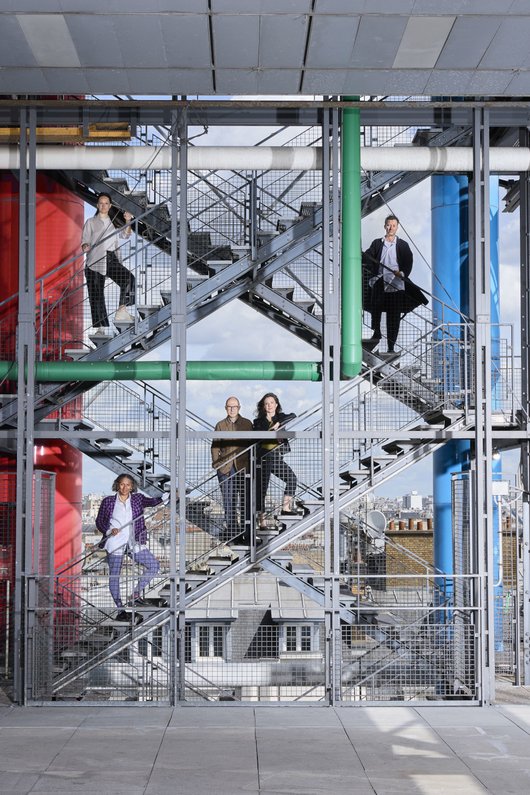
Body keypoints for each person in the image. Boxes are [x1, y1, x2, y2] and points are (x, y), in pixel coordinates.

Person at [96, 474, 163, 621]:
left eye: (128, 485)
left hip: (134, 541)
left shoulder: (137, 499)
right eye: (122, 484)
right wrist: (108, 531)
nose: (125, 487)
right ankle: (120, 610)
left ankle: (135, 594)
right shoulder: (108, 502)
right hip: (115, 542)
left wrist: (170, 495)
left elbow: (153, 502)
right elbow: (99, 521)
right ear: (117, 485)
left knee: (153, 565)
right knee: (115, 577)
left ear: (132, 486)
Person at [362, 214, 425, 354]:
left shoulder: (403, 245)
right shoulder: (377, 243)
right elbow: (368, 256)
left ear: (397, 227)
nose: (391, 228)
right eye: (388, 225)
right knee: (375, 309)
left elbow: (408, 261)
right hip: (379, 280)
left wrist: (402, 273)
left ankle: (391, 346)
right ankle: (376, 332)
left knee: (394, 317)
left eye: (393, 225)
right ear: (385, 226)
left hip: (396, 284)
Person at [81, 192, 135, 335]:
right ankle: (100, 329)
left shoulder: (114, 221)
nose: (104, 205)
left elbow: (125, 235)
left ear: (110, 205)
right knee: (97, 295)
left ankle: (122, 309)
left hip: (111, 258)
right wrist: (85, 246)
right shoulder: (91, 222)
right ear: (97, 205)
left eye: (106, 203)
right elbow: (85, 239)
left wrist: (128, 220)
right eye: (101, 203)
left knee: (128, 278)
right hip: (95, 260)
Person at [211, 396, 253, 543]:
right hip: (226, 469)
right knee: (229, 502)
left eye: (234, 406)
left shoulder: (247, 424)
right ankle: (234, 533)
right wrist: (217, 464)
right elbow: (215, 446)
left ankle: (247, 533)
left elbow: (252, 445)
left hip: (244, 467)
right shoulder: (220, 425)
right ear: (225, 408)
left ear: (239, 408)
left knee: (245, 502)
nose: (232, 409)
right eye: (229, 407)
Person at [253, 393, 297, 527]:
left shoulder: (281, 417)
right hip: (264, 457)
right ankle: (261, 521)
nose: (269, 405)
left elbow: (293, 416)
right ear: (263, 406)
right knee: (262, 489)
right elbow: (258, 438)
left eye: (271, 402)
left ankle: (286, 508)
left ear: (276, 404)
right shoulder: (258, 422)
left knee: (292, 478)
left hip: (276, 456)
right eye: (266, 403)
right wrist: (271, 430)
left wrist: (279, 423)